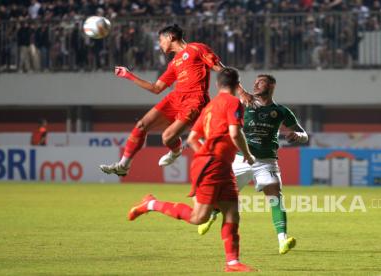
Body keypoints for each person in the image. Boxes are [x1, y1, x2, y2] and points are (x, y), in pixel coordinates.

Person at [126, 68, 257, 272]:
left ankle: (232, 262)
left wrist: (207, 154)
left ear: (217, 84)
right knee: (199, 218)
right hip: (213, 166)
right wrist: (247, 155)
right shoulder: (234, 103)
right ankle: (150, 203)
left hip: (217, 165)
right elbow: (235, 133)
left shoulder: (210, 107)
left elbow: (192, 139)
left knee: (232, 211)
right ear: (237, 84)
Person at [197, 74, 308, 255]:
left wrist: (298, 136)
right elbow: (229, 79)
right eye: (255, 82)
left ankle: (283, 239)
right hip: (239, 159)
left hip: (266, 161)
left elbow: (304, 134)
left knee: (275, 195)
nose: (256, 84)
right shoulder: (243, 104)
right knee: (222, 195)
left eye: (261, 81)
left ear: (272, 85)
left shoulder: (281, 111)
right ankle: (212, 215)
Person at [100, 24, 224, 177]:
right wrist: (129, 75)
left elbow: (221, 69)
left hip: (194, 100)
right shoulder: (174, 63)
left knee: (167, 137)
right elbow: (156, 88)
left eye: (160, 40)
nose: (159, 44)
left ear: (170, 37)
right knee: (141, 125)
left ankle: (176, 152)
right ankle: (123, 166)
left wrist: (239, 90)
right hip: (175, 98)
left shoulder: (197, 48)